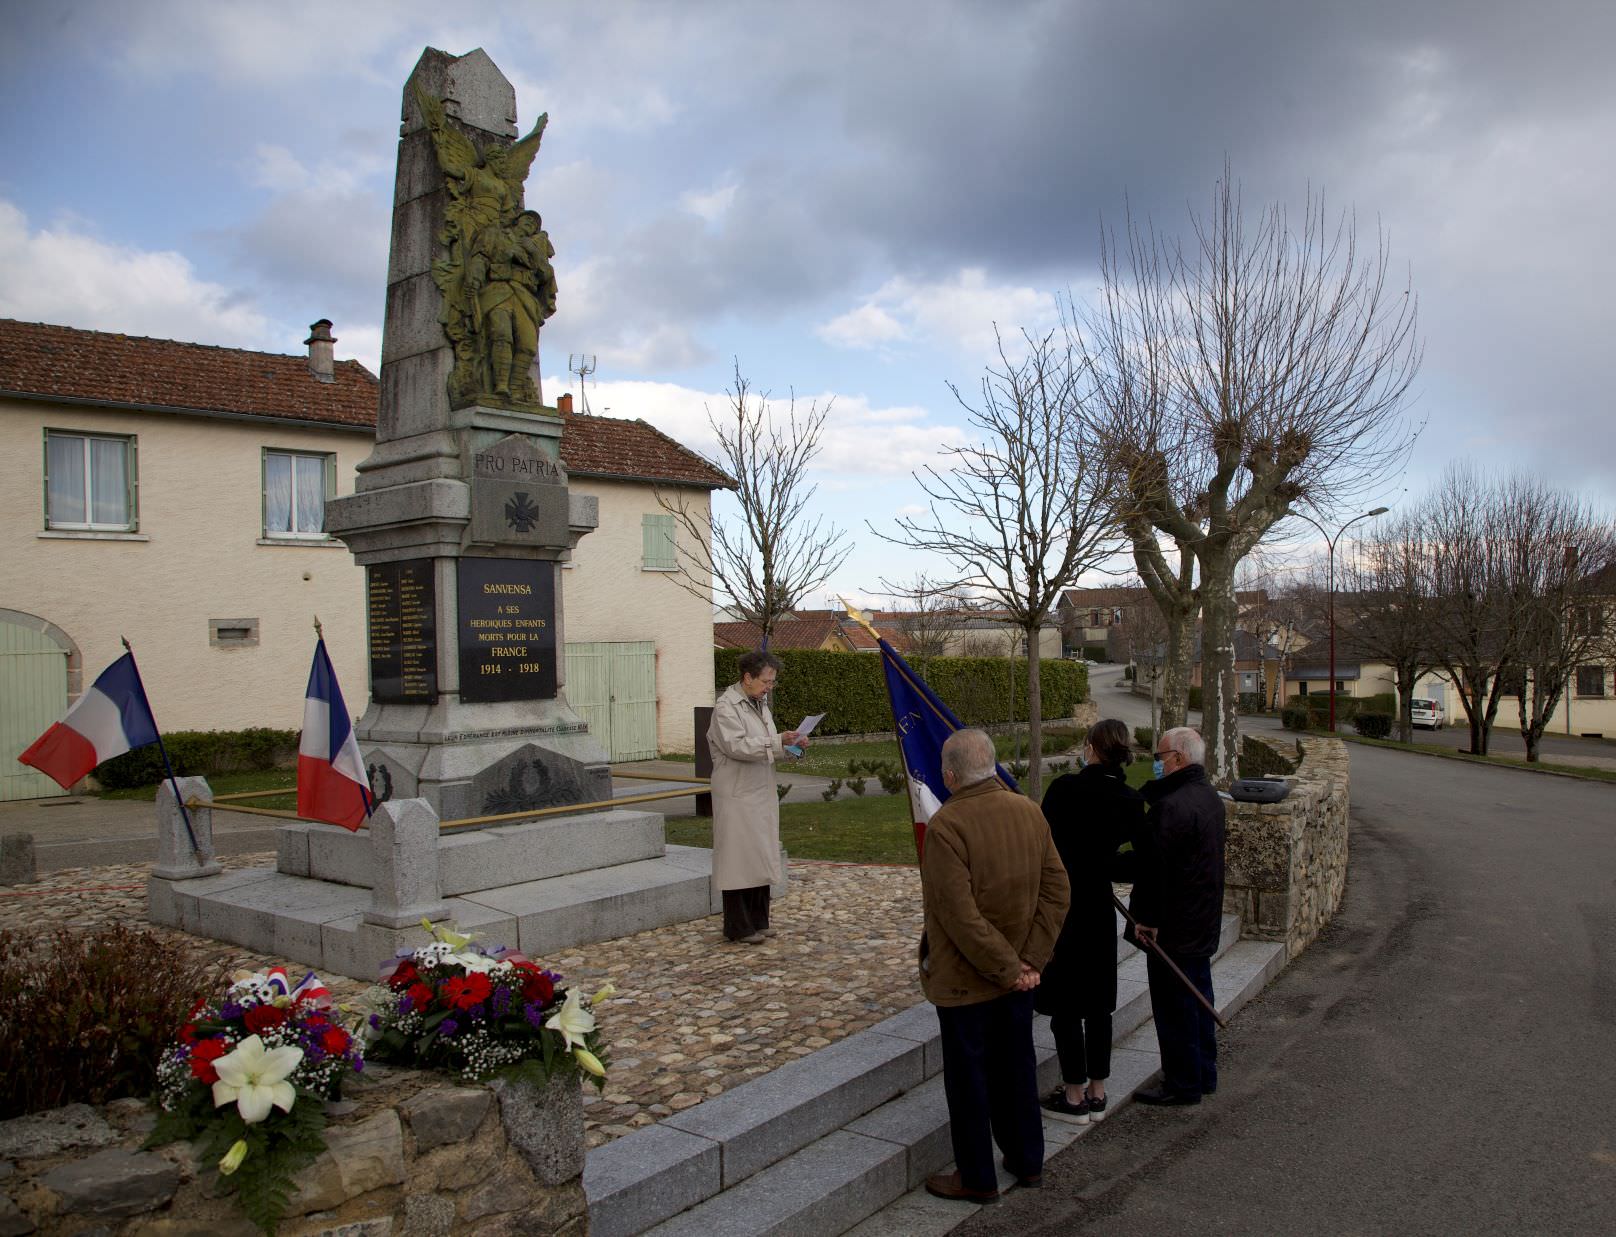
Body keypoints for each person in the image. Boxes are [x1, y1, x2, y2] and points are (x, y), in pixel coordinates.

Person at [919, 729, 1070, 1203]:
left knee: (970, 1081)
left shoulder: (947, 825)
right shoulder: (1028, 809)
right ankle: (1028, 1162)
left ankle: (977, 1178)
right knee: (1016, 1069)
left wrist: (1014, 967)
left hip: (969, 982)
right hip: (1017, 975)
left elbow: (959, 916)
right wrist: (1028, 961)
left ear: (949, 775)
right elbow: (1058, 891)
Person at [1036, 718, 1145, 1123]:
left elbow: (1041, 846)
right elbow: (1146, 857)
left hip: (1064, 908)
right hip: (1097, 907)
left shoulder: (1066, 789)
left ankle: (1076, 1094)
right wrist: (1108, 865)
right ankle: (1097, 1089)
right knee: (1098, 1004)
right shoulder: (1129, 799)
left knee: (1067, 1005)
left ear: (1092, 748)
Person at [1127, 726, 1226, 1105]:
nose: (1157, 763)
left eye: (1160, 757)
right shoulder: (1207, 796)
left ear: (1179, 759)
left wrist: (1148, 918)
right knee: (1199, 995)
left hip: (1175, 922)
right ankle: (1203, 1073)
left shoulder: (1173, 806)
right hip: (1200, 916)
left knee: (1175, 1006)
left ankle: (1183, 1083)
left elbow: (1156, 868)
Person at [707, 650, 805, 944]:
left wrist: (794, 747)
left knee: (760, 857)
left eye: (772, 682)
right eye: (766, 681)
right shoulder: (726, 708)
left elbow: (766, 748)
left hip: (759, 793)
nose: (769, 687)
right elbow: (738, 746)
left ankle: (759, 919)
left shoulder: (759, 705)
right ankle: (738, 926)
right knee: (738, 861)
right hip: (737, 796)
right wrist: (777, 741)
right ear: (747, 678)